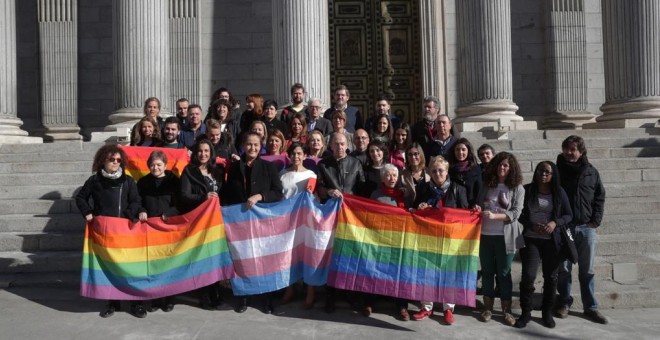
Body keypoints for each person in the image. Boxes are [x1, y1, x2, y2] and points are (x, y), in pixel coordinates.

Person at [75, 144, 142, 318]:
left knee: (129, 268)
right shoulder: (95, 180)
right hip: (104, 232)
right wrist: (88, 213)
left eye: (119, 160)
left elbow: (136, 200)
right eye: (111, 159)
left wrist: (129, 214)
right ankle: (113, 302)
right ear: (103, 160)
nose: (115, 162)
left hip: (125, 231)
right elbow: (81, 197)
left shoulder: (128, 181)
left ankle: (136, 303)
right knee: (109, 268)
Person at [223, 132, 285, 314]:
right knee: (241, 260)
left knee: (263, 260)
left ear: (261, 147)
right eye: (249, 144)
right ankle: (242, 297)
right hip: (239, 223)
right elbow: (228, 193)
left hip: (262, 223)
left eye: (256, 145)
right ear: (243, 145)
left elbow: (277, 192)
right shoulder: (234, 167)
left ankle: (266, 298)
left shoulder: (268, 167)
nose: (252, 148)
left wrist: (260, 196)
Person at [555, 135, 607, 324]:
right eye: (566, 149)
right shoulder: (556, 171)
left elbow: (600, 196)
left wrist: (596, 221)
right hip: (564, 228)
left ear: (582, 152)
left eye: (573, 149)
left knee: (587, 270)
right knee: (564, 269)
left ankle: (591, 307)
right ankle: (564, 302)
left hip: (586, 227)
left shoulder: (591, 172)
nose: (569, 153)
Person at [515, 161, 573, 329]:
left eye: (547, 171)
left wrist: (555, 223)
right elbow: (519, 213)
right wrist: (531, 224)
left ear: (553, 174)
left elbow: (569, 215)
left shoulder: (558, 192)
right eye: (540, 170)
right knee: (528, 276)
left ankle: (547, 312)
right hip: (531, 239)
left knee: (551, 277)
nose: (543, 174)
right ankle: (525, 313)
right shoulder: (527, 190)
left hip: (552, 241)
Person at [411, 156, 468, 325]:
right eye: (434, 170)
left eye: (440, 170)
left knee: (449, 274)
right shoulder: (423, 188)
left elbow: (464, 214)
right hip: (428, 237)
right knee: (427, 272)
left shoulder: (458, 189)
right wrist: (420, 208)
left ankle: (448, 308)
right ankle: (426, 307)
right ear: (429, 172)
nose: (437, 173)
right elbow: (415, 209)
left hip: (451, 238)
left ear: (447, 170)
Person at [316, 132, 365, 313]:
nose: (340, 147)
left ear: (348, 145)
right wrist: (328, 191)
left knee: (350, 255)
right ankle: (330, 296)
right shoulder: (323, 165)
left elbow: (361, 188)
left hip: (351, 217)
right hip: (330, 216)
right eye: (336, 144)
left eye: (342, 144)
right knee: (331, 255)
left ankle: (350, 293)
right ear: (330, 146)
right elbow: (318, 188)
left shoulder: (355, 163)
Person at [474, 151, 525, 327]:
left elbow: (516, 213)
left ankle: (506, 310)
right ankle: (487, 307)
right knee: (487, 271)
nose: (502, 168)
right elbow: (479, 203)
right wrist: (476, 208)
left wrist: (495, 216)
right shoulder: (487, 184)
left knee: (504, 273)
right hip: (486, 235)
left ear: (511, 169)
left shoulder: (518, 188)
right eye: (499, 165)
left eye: (506, 165)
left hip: (507, 236)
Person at [180, 139, 226, 310]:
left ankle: (216, 290)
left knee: (215, 257)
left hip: (217, 221)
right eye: (200, 151)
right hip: (199, 222)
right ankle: (204, 294)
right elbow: (184, 195)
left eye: (207, 151)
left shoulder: (218, 171)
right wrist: (203, 197)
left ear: (211, 152)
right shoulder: (189, 171)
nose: (203, 154)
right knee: (202, 257)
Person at [137, 150, 181, 313]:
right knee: (153, 264)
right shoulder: (142, 182)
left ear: (165, 165)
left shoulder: (173, 180)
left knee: (168, 263)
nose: (155, 168)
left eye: (159, 165)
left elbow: (180, 202)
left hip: (168, 228)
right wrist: (141, 209)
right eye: (152, 165)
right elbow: (137, 201)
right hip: (149, 229)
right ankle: (155, 297)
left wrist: (170, 212)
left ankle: (169, 298)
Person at [366, 163, 411, 321]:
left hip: (399, 240)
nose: (392, 178)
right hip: (380, 239)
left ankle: (402, 306)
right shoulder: (376, 195)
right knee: (376, 270)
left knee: (399, 273)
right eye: (388, 175)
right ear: (382, 178)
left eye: (394, 175)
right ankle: (370, 302)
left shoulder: (403, 195)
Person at [279, 142, 318, 308]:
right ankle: (290, 288)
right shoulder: (282, 174)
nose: (296, 157)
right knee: (288, 255)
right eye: (293, 153)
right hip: (286, 220)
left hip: (306, 221)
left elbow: (315, 197)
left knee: (307, 255)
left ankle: (310, 291)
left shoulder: (311, 175)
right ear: (289, 155)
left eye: (299, 153)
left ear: (304, 156)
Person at [411, 96, 456, 161]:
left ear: (437, 109)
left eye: (429, 107)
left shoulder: (447, 125)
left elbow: (456, 142)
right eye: (425, 107)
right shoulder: (417, 127)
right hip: (425, 162)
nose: (426, 109)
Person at [449, 138, 482, 207]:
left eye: (463, 149)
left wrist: (477, 204)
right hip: (454, 207)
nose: (460, 152)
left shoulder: (476, 168)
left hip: (471, 207)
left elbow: (479, 189)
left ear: (468, 151)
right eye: (457, 149)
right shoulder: (449, 169)